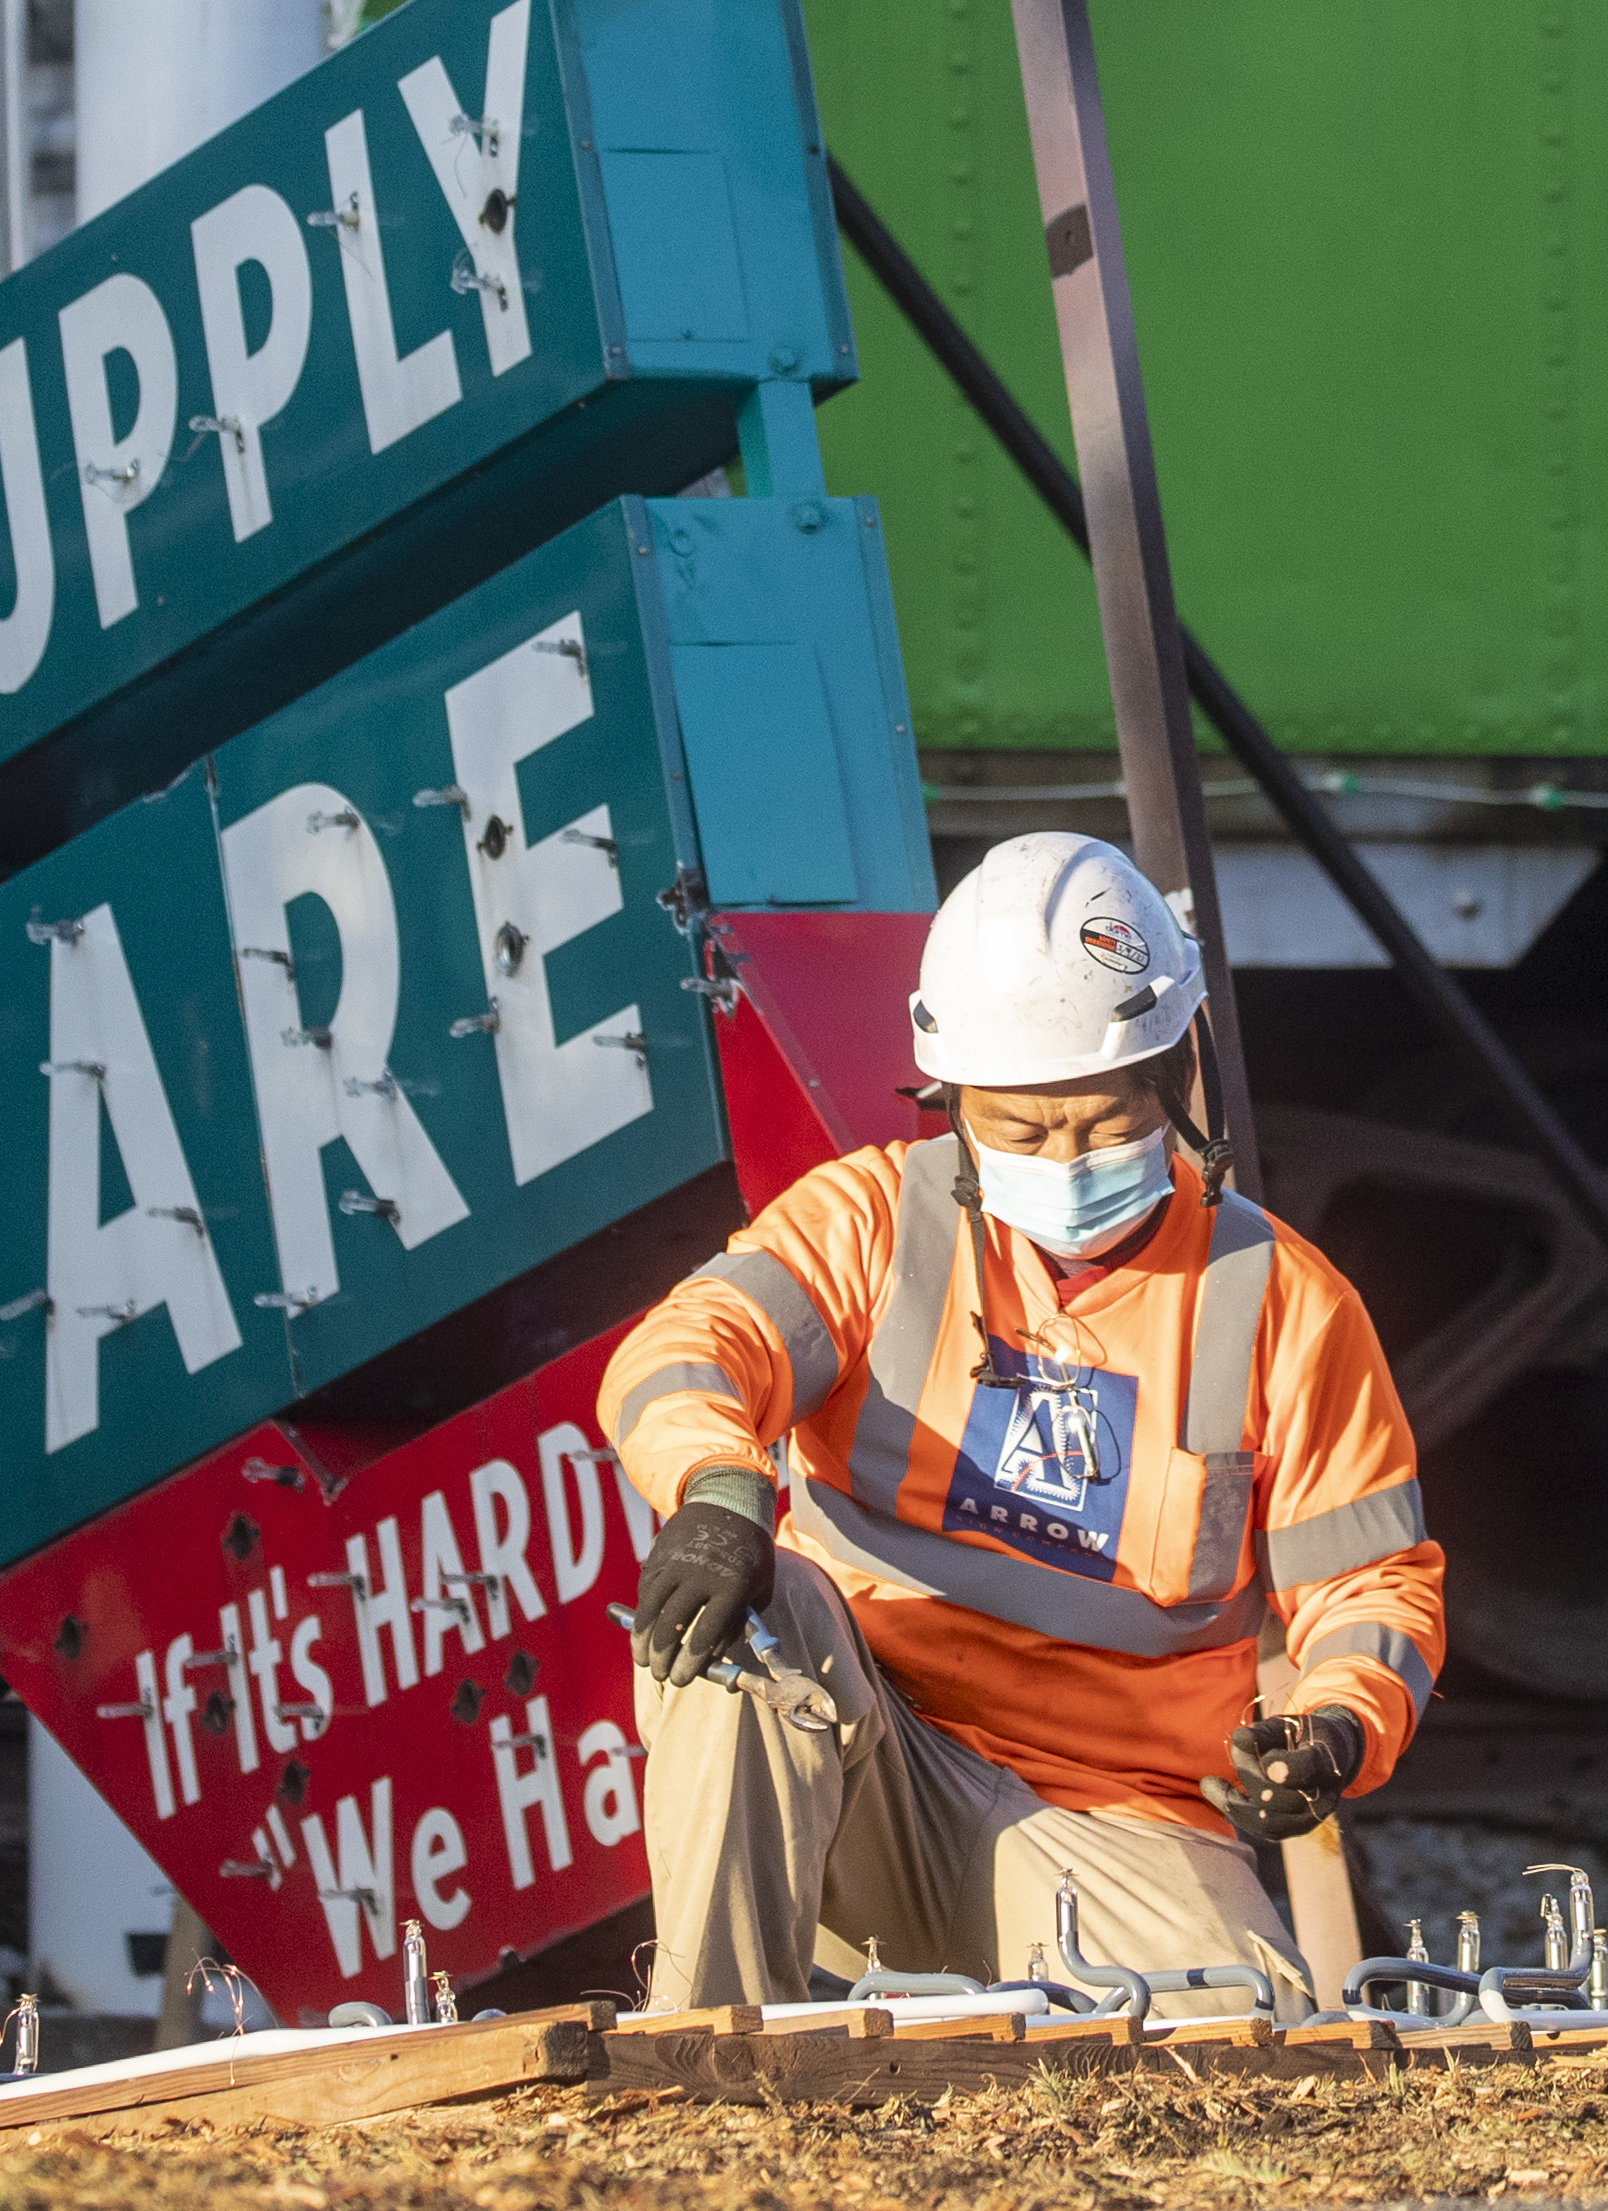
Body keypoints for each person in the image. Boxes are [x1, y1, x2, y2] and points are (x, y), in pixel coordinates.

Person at [601, 831, 1442, 2011]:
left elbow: (1370, 1583)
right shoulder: (868, 1221)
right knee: (752, 1613)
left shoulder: (1285, 1304)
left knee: (1251, 2038)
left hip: (1122, 1817)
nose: (1065, 1163)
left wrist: (1334, 1725)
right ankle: (712, 2049)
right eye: (1019, 1131)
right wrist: (715, 1488)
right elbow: (688, 1346)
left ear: (1173, 1081)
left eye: (1101, 1125)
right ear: (949, 1103)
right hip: (867, 1766)